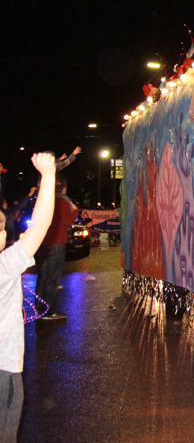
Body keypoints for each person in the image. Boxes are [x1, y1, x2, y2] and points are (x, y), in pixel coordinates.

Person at [0, 153, 56, 442]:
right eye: (0, 226)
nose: (4, 230)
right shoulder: (3, 266)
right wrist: (48, 175)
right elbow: (41, 224)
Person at [34, 175, 79, 320]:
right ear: (64, 189)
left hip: (43, 243)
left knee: (43, 276)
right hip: (57, 244)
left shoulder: (45, 201)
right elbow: (67, 220)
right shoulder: (62, 202)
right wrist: (76, 211)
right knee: (52, 279)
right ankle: (49, 311)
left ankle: (40, 308)